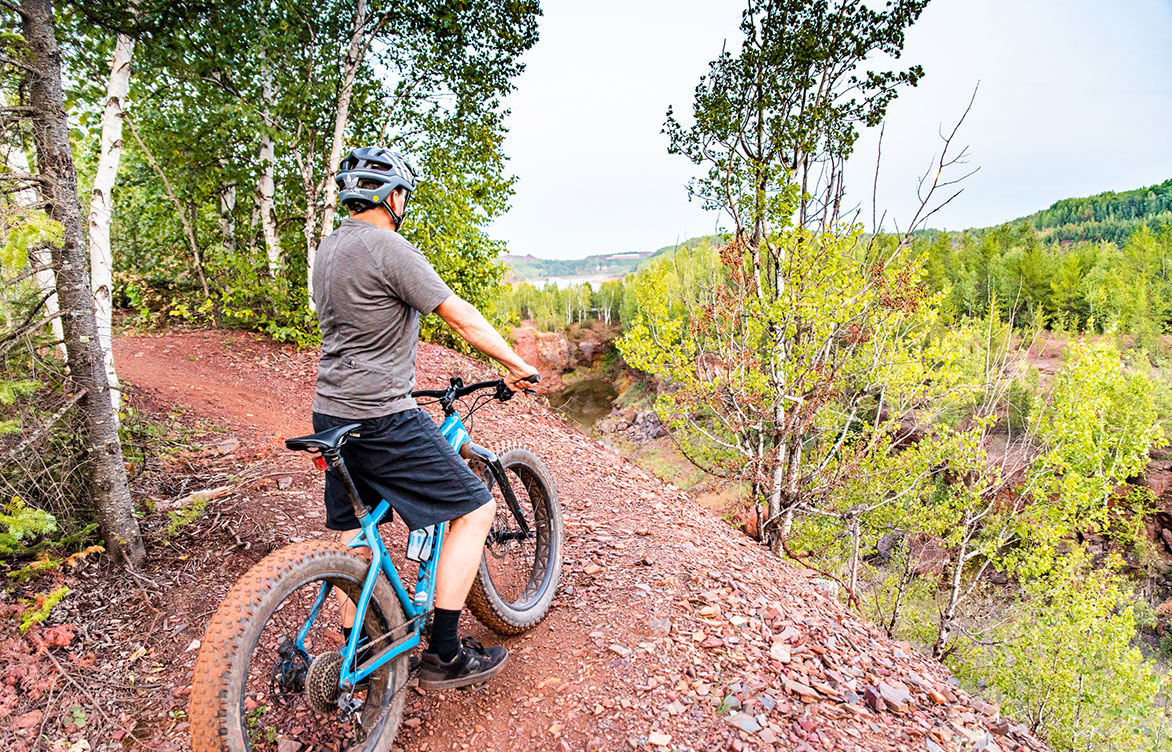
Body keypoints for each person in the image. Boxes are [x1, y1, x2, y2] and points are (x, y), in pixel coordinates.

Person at [310, 146, 539, 689]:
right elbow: (460, 317)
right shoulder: (390, 248)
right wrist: (516, 364)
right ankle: (444, 653)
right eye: (403, 195)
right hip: (382, 417)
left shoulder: (328, 249)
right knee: (477, 510)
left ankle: (358, 652)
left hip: (330, 413)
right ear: (392, 197)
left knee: (358, 528)